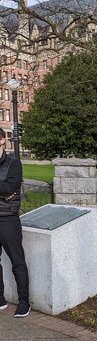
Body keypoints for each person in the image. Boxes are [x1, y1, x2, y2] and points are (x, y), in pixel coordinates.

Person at [0, 128, 31, 317]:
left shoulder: (13, 164)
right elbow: (4, 190)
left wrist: (6, 191)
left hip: (7, 219)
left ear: (2, 141)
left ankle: (24, 302)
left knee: (17, 261)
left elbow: (10, 188)